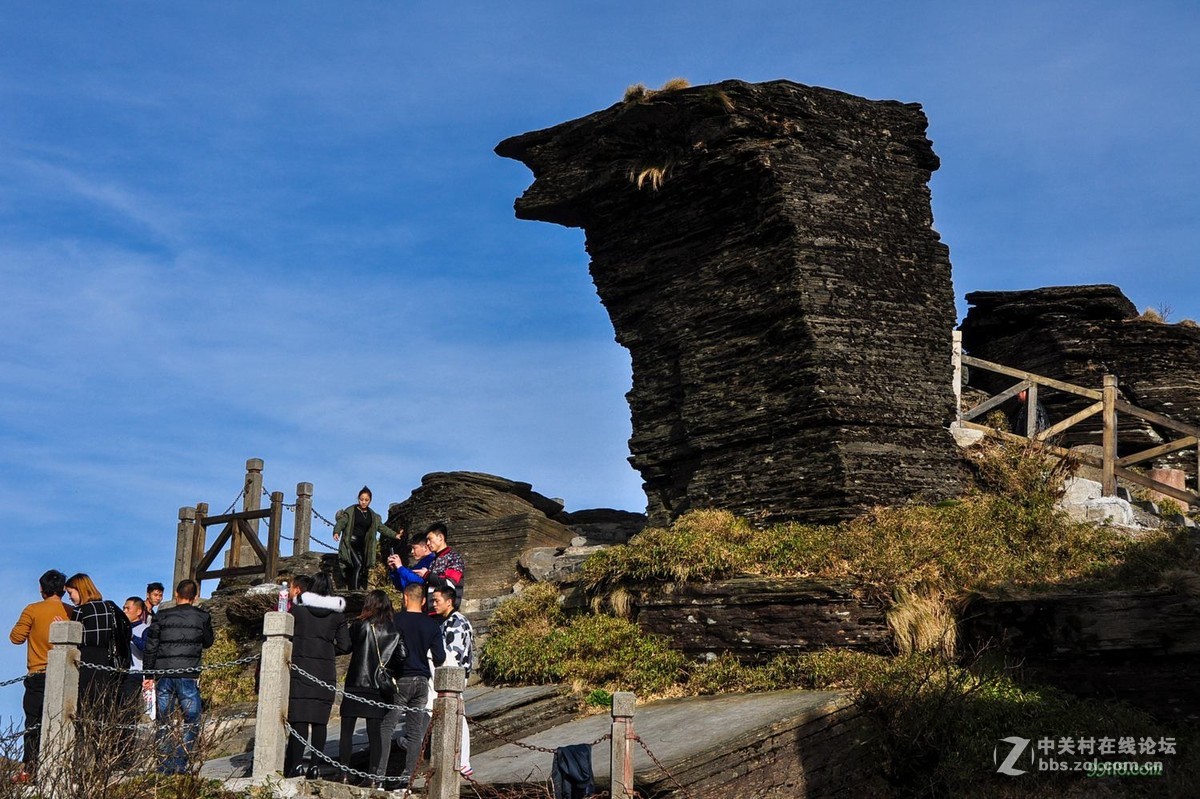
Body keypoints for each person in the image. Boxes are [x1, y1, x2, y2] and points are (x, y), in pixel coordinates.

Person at [143, 579, 213, 774]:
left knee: (164, 720)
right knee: (192, 719)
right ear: (195, 597)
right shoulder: (202, 616)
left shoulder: (161, 616)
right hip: (188, 673)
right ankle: (181, 763)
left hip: (164, 673)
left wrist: (148, 674)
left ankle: (164, 766)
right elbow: (208, 642)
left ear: (176, 594)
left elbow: (151, 647)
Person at [338, 590, 407, 787]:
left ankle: (344, 772)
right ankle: (372, 777)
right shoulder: (394, 630)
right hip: (377, 686)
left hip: (355, 683)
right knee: (374, 733)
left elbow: (347, 647)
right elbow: (403, 654)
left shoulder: (359, 624)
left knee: (346, 731)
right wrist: (388, 667)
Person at [285, 572, 351, 778]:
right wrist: (328, 650)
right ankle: (315, 766)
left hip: (301, 669)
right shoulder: (337, 615)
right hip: (325, 673)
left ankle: (296, 765)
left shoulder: (298, 611)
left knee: (300, 719)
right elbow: (346, 645)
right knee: (320, 722)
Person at [8, 569, 69, 770]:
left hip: (38, 673)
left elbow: (15, 638)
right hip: (66, 675)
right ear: (64, 590)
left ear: (42, 589)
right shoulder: (71, 612)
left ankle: (31, 767)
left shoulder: (32, 609)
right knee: (62, 723)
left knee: (33, 723)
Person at [392, 581, 446, 789]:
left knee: (387, 724)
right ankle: (409, 775)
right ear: (423, 601)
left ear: (405, 598)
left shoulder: (395, 620)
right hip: (422, 680)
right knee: (416, 731)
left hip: (400, 679)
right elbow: (440, 657)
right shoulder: (431, 625)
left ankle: (378, 775)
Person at [65, 572, 131, 716]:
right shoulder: (109, 607)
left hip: (87, 658)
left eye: (70, 592)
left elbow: (76, 637)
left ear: (80, 589)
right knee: (104, 703)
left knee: (86, 701)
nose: (69, 597)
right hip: (108, 659)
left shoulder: (80, 611)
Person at [430, 585, 474, 778]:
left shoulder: (456, 623)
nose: (433, 604)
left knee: (457, 716)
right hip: (452, 675)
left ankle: (463, 760)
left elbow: (452, 655)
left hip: (453, 676)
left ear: (449, 601)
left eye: (436, 600)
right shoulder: (447, 621)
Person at [332, 486, 402, 590]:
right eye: (361, 499)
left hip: (362, 545)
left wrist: (396, 535)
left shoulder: (372, 515)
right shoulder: (351, 511)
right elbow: (342, 522)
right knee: (358, 565)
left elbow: (381, 528)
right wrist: (336, 531)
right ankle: (354, 591)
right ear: (358, 499)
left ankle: (356, 588)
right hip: (350, 543)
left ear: (370, 501)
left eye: (366, 500)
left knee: (362, 568)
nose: (363, 502)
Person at [121, 597, 151, 722]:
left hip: (136, 673)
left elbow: (147, 649)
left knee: (129, 710)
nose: (124, 611)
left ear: (138, 611)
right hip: (122, 672)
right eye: (124, 608)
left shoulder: (145, 629)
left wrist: (133, 637)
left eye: (128, 608)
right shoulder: (121, 628)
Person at [422, 523, 465, 604]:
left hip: (446, 611)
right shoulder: (434, 561)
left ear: (441, 537)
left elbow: (450, 585)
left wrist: (427, 575)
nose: (427, 543)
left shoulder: (453, 558)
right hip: (432, 612)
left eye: (430, 539)